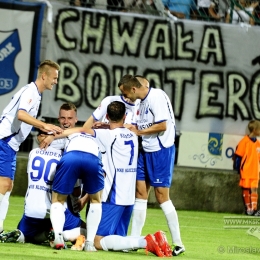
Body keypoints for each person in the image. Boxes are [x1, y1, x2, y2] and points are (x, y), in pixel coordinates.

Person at [118, 74, 185, 256]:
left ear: (133, 89)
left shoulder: (156, 97)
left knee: (162, 196)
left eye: (125, 93)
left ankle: (178, 243)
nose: (125, 98)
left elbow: (162, 125)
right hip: (145, 149)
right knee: (140, 193)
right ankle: (133, 240)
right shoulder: (140, 103)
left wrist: (139, 132)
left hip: (160, 150)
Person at [0, 60, 63, 234]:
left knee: (7, 186)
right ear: (44, 76)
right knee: (4, 185)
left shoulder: (36, 93)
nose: (56, 81)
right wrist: (44, 125)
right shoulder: (31, 92)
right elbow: (21, 114)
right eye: (54, 77)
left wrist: (43, 128)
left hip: (10, 145)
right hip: (4, 140)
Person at [41, 130, 104, 250]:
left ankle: (58, 237)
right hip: (93, 158)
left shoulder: (72, 134)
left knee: (58, 200)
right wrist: (85, 199)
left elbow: (59, 134)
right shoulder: (98, 137)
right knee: (96, 201)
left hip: (71, 156)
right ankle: (90, 243)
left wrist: (51, 137)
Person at [233, 120, 260, 216]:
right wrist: (237, 168)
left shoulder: (258, 143)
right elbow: (238, 155)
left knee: (254, 189)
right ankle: (248, 209)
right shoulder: (244, 141)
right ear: (255, 130)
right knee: (245, 188)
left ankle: (254, 209)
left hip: (255, 171)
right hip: (246, 171)